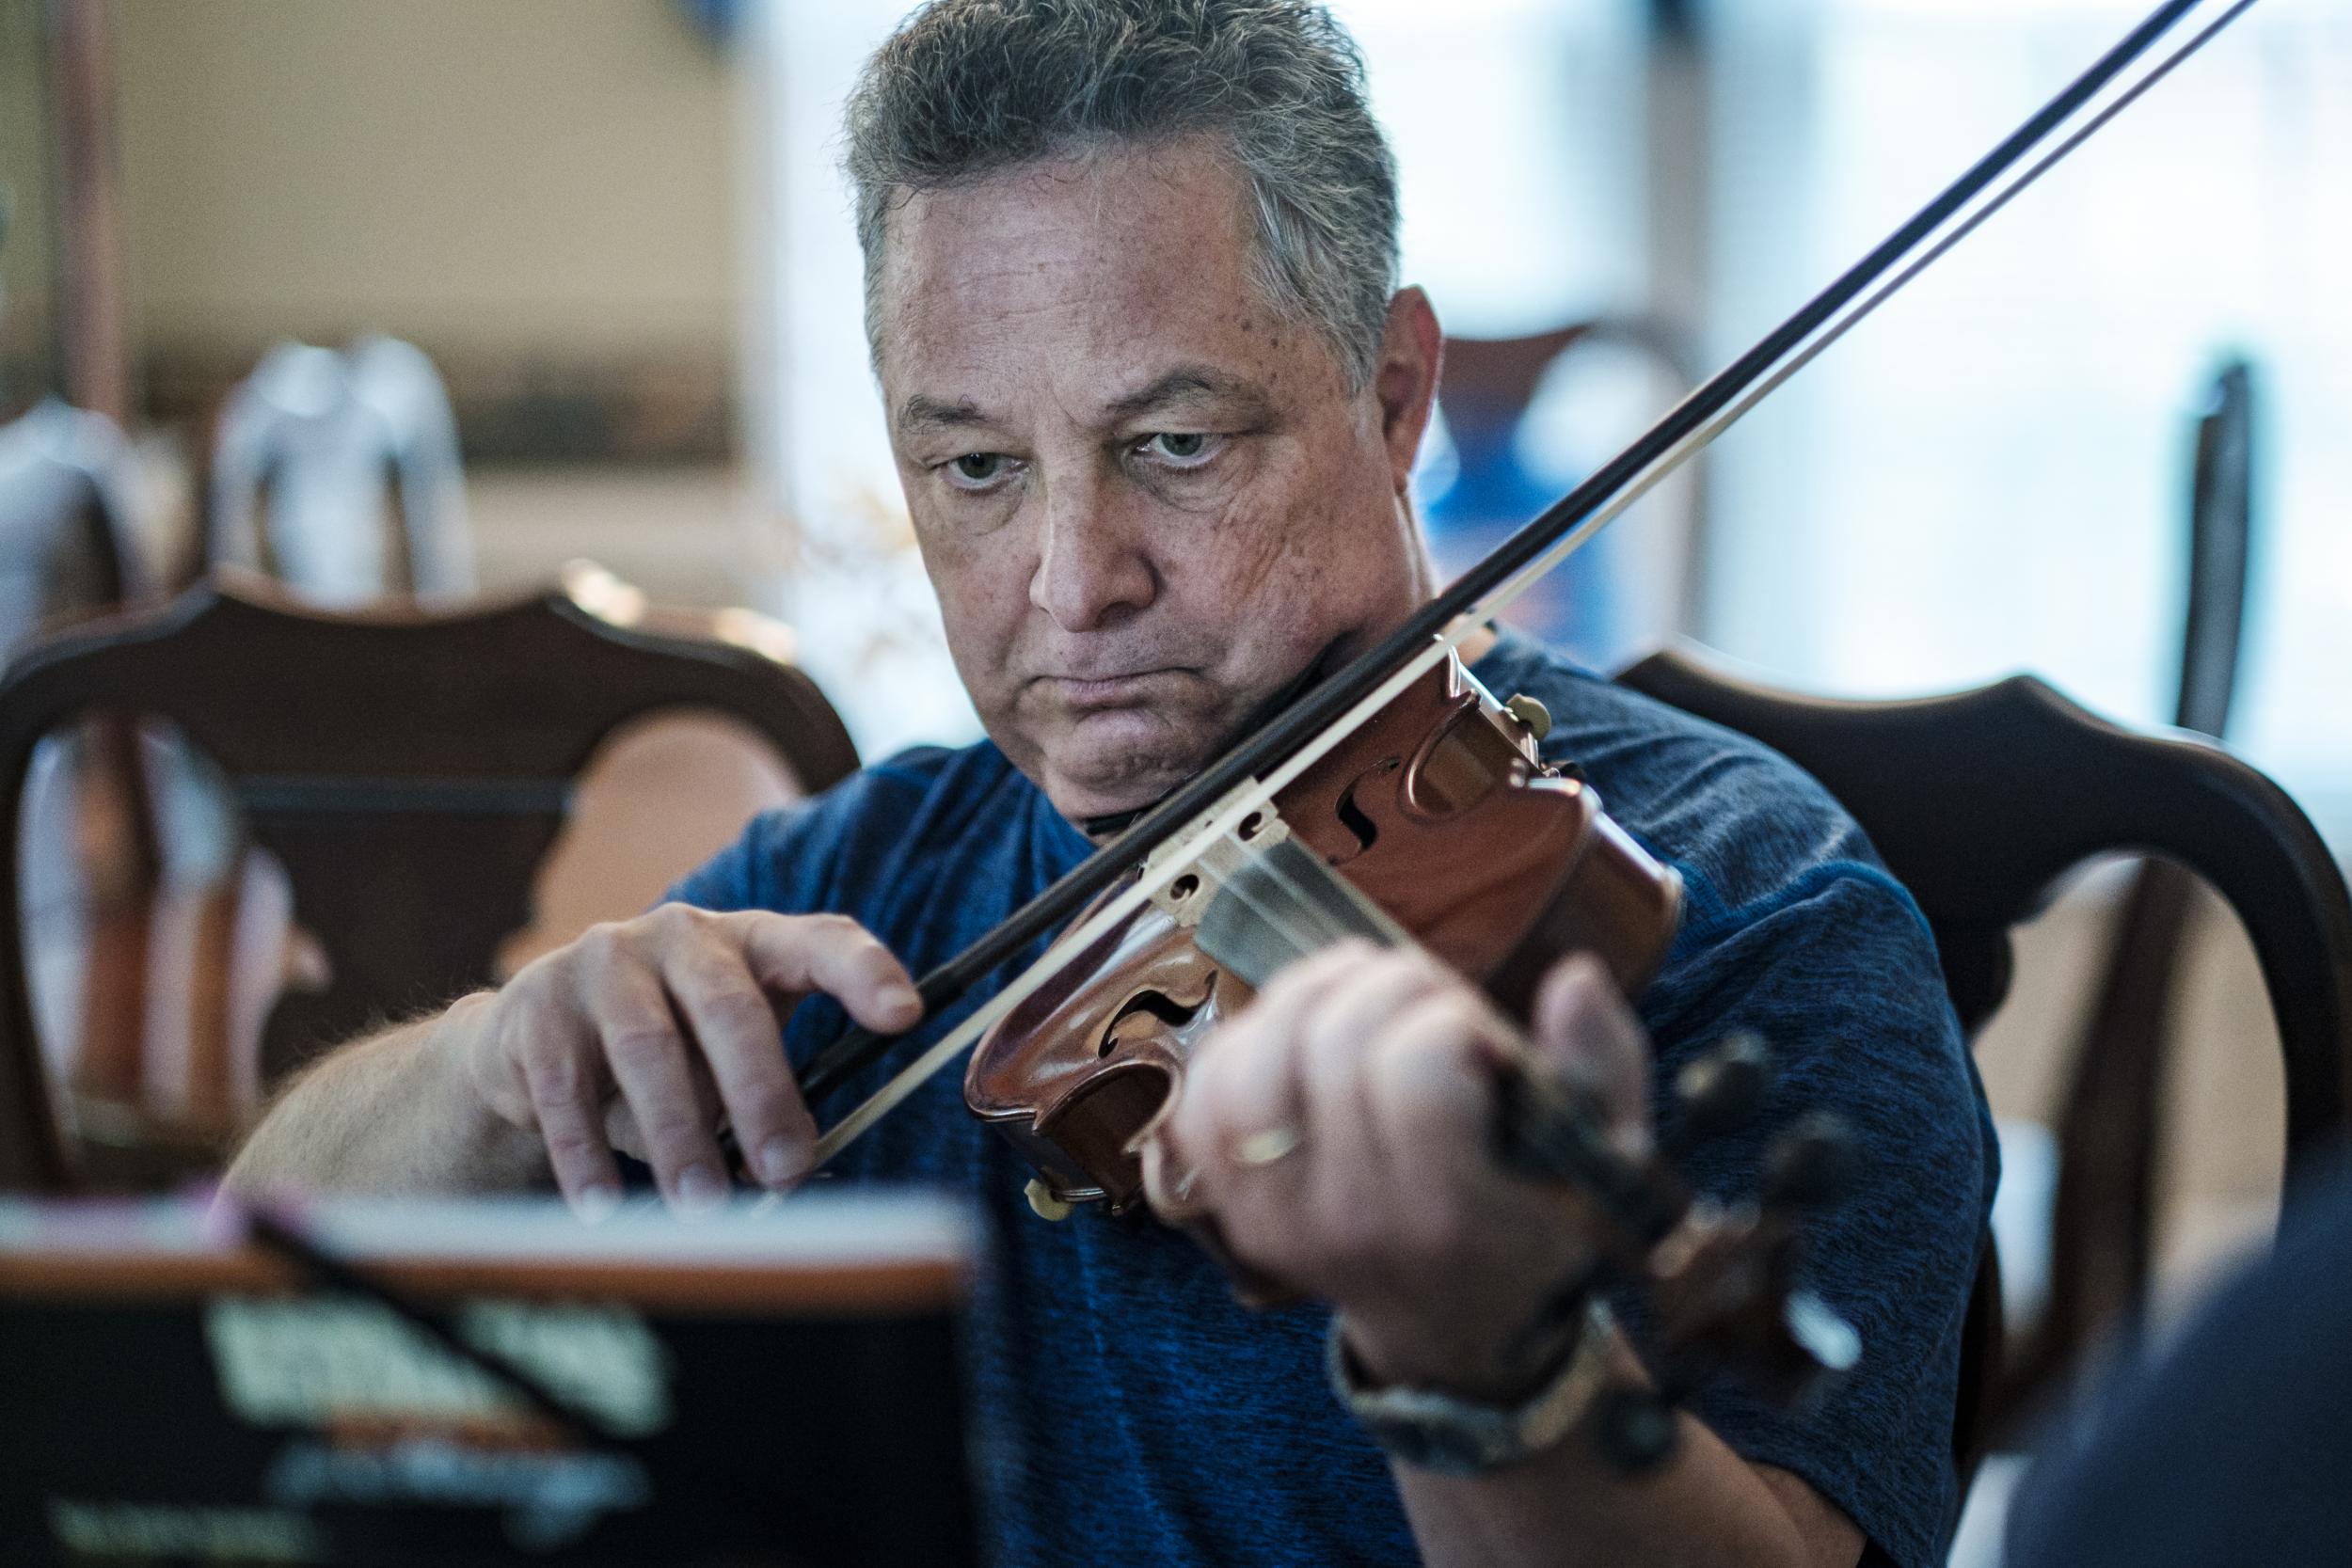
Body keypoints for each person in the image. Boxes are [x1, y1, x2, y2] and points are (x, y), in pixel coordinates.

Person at [228, 4, 1994, 1564]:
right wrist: (488, 1063)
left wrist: (1490, 1362)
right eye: (979, 467)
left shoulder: (1742, 903)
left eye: (1173, 445)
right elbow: (252, 1243)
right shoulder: (871, 888)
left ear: (1393, 398)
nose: (1072, 582)